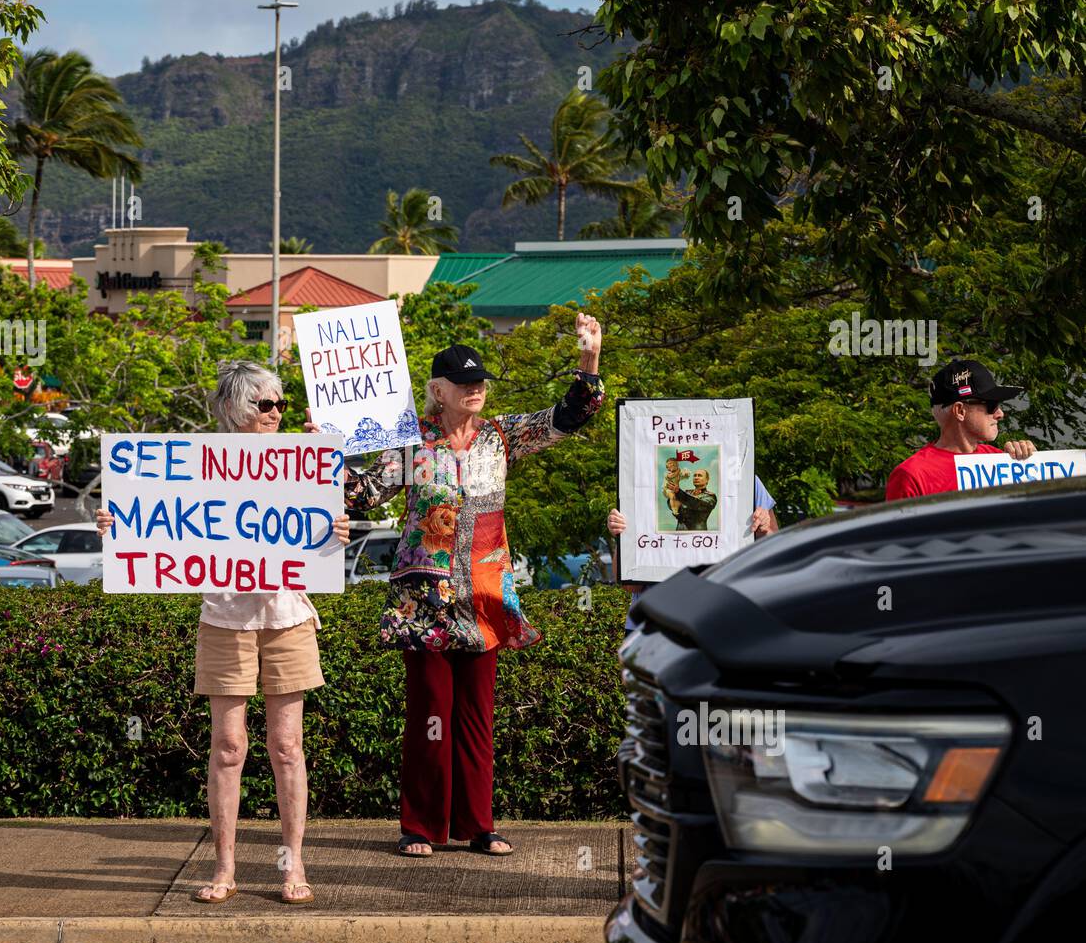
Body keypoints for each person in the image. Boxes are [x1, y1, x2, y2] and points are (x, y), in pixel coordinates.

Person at [332, 314, 605, 857]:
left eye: (480, 382)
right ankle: (421, 826)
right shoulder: (411, 443)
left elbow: (572, 415)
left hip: (485, 595)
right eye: (464, 383)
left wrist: (589, 359)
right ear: (438, 392)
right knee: (431, 714)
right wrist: (325, 456)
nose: (476, 389)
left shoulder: (501, 437)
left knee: (478, 716)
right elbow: (361, 494)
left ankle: (480, 825)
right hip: (424, 600)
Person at [95, 360, 350, 906]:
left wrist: (338, 526)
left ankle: (293, 865)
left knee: (287, 746)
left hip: (288, 617)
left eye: (281, 401)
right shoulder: (197, 465)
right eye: (266, 404)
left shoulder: (304, 460)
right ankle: (225, 868)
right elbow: (155, 518)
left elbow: (324, 537)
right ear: (237, 409)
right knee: (229, 746)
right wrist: (117, 526)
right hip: (225, 619)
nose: (278, 411)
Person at [609, 476, 778, 636]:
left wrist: (764, 530)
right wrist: (624, 537)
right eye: (694, 474)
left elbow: (774, 553)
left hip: (724, 620)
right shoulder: (641, 477)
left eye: (700, 474)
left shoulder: (743, 473)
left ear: (707, 479)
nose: (696, 477)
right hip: (654, 626)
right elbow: (631, 586)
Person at [886, 358, 1036, 500]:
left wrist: (1033, 464)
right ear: (960, 411)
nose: (1000, 414)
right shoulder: (912, 476)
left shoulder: (1002, 460)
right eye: (991, 405)